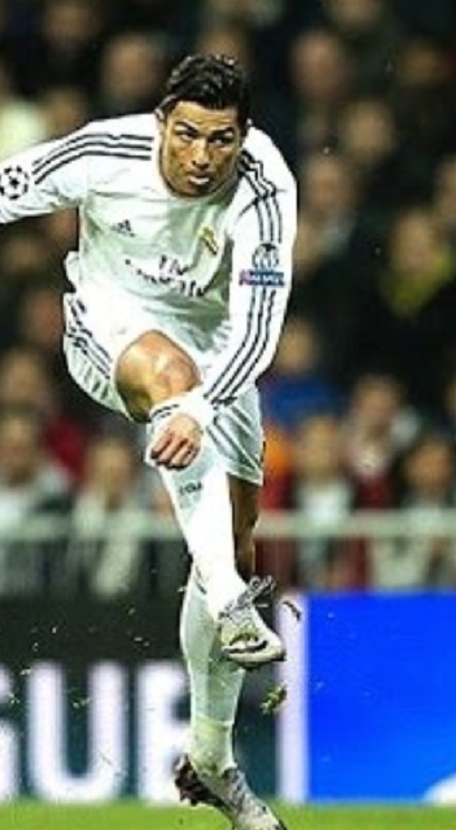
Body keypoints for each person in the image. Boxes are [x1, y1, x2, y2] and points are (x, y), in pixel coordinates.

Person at [0, 54, 295, 830]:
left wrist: (202, 406)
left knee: (236, 537)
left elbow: (259, 330)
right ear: (162, 121)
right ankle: (229, 598)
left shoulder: (266, 186)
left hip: (219, 359)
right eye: (187, 134)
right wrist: (185, 404)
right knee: (171, 379)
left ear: (244, 136)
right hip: (107, 331)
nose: (201, 156)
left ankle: (212, 760)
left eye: (221, 139)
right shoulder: (105, 152)